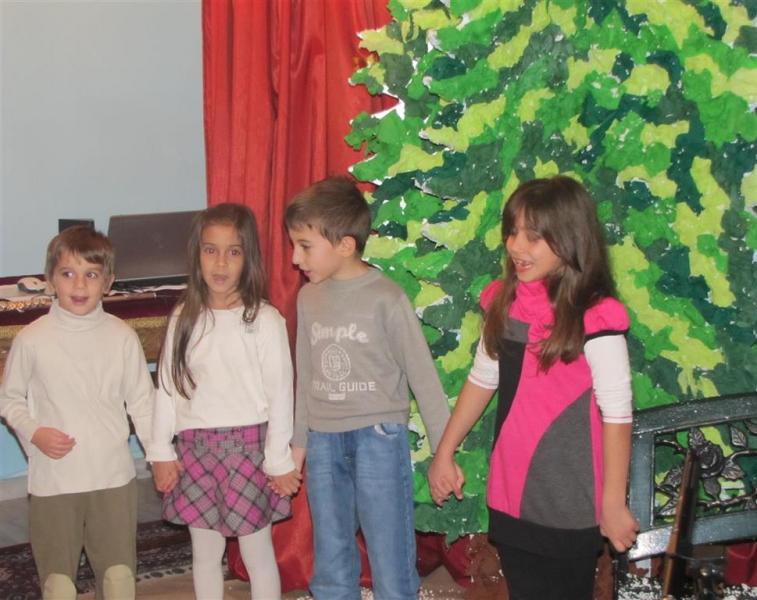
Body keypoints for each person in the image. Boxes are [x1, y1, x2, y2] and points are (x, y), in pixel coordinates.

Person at [428, 176, 640, 599]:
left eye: (533, 236)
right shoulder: (504, 304)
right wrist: (444, 452)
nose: (516, 246)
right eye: (512, 232)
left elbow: (617, 414)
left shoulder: (596, 318)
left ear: (570, 239)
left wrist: (613, 502)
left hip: (570, 499)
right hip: (511, 491)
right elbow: (482, 378)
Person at [285, 176, 451, 600]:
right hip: (323, 439)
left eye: (305, 246)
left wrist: (444, 451)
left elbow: (423, 377)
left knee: (389, 547)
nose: (295, 258)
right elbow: (305, 373)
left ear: (344, 244)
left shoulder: (386, 298)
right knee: (331, 550)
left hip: (378, 436)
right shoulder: (308, 298)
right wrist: (299, 443)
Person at [148, 203, 300, 600]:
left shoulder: (264, 320)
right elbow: (167, 388)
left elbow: (281, 395)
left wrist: (278, 458)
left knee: (257, 553)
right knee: (204, 553)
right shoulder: (184, 318)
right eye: (210, 250)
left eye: (233, 252)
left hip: (248, 453)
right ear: (196, 255)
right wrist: (160, 450)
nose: (220, 263)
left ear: (248, 258)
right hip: (195, 452)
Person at [0, 226, 154, 600]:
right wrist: (34, 432)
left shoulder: (121, 336)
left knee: (118, 578)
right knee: (58, 584)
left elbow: (143, 402)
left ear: (108, 282)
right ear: (50, 280)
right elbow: (9, 399)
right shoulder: (33, 339)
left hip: (112, 477)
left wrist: (158, 454)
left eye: (91, 274)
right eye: (68, 273)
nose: (79, 285)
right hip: (55, 480)